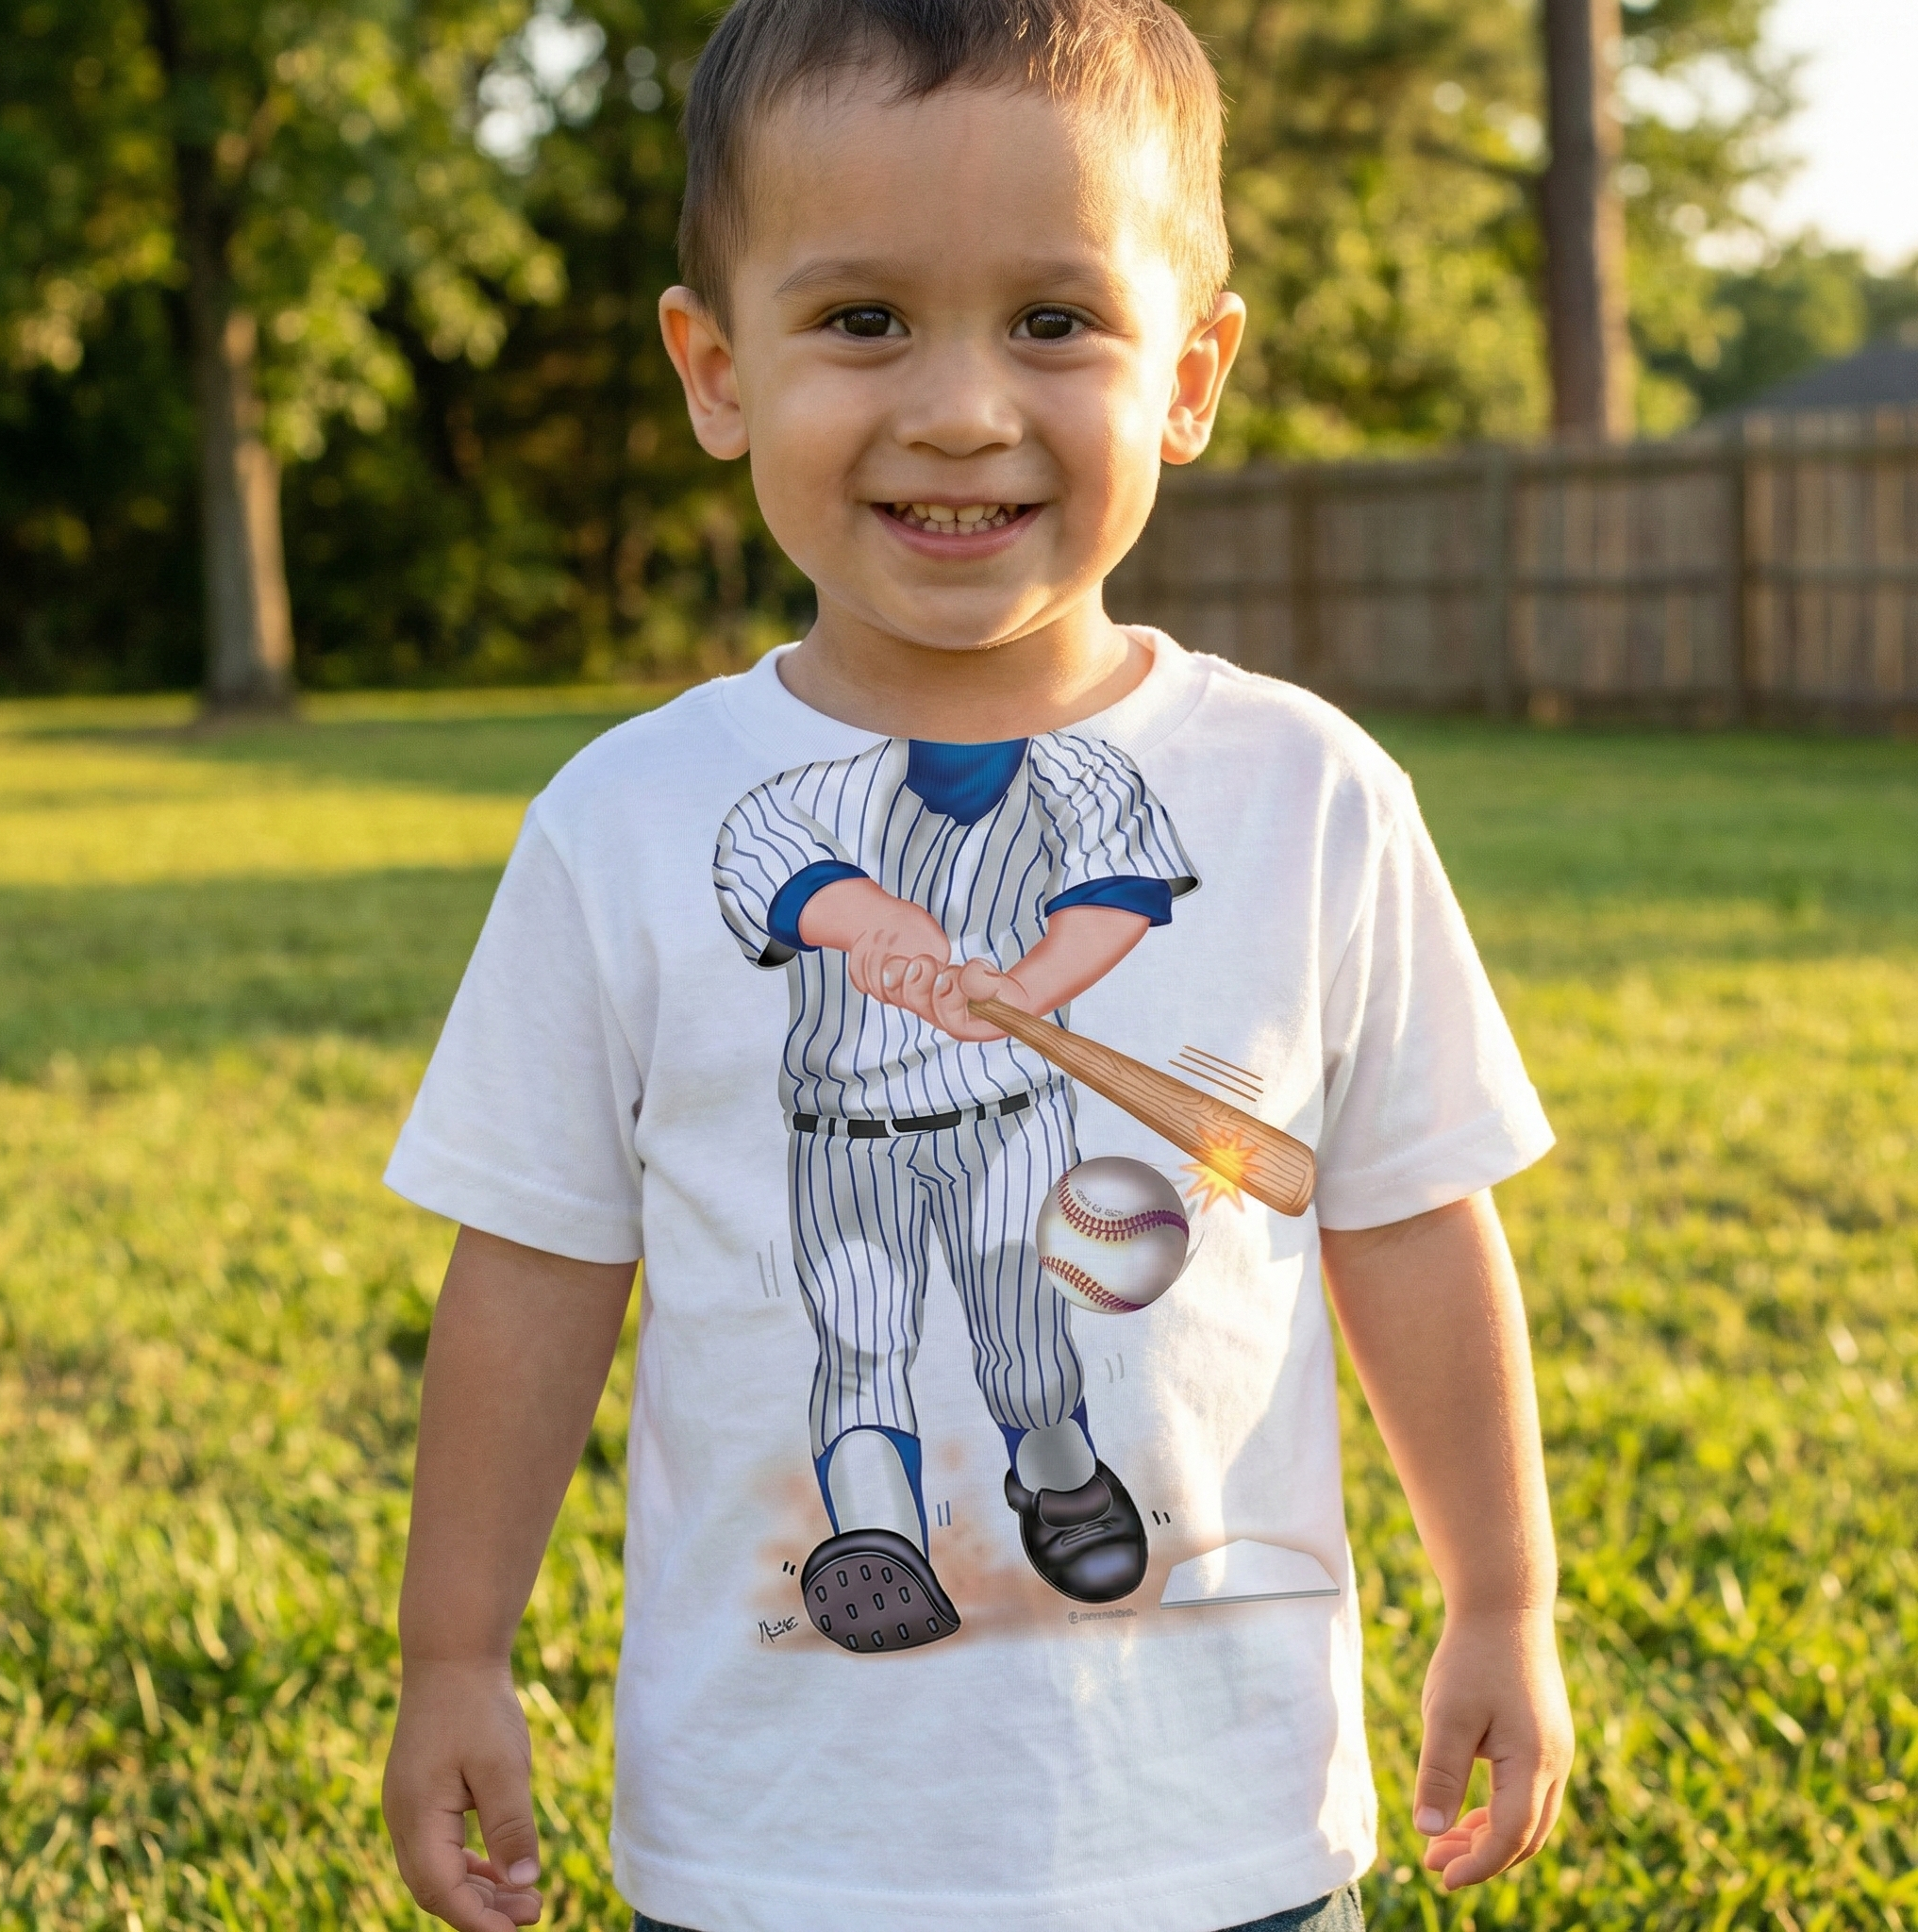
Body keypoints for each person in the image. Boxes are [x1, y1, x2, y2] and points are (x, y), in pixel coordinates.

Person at [379, 0, 1576, 1925]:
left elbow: (1412, 1213)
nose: (958, 407)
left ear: (1188, 373)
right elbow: (534, 1257)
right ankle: (872, 1541)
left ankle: (1056, 1478)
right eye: (861, 320)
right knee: (865, 1338)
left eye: (1052, 320)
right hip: (781, 1850)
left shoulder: (1299, 787)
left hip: (1213, 1835)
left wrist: (1500, 1598)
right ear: (716, 368)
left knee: (1026, 1337)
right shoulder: (637, 811)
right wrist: (452, 1656)